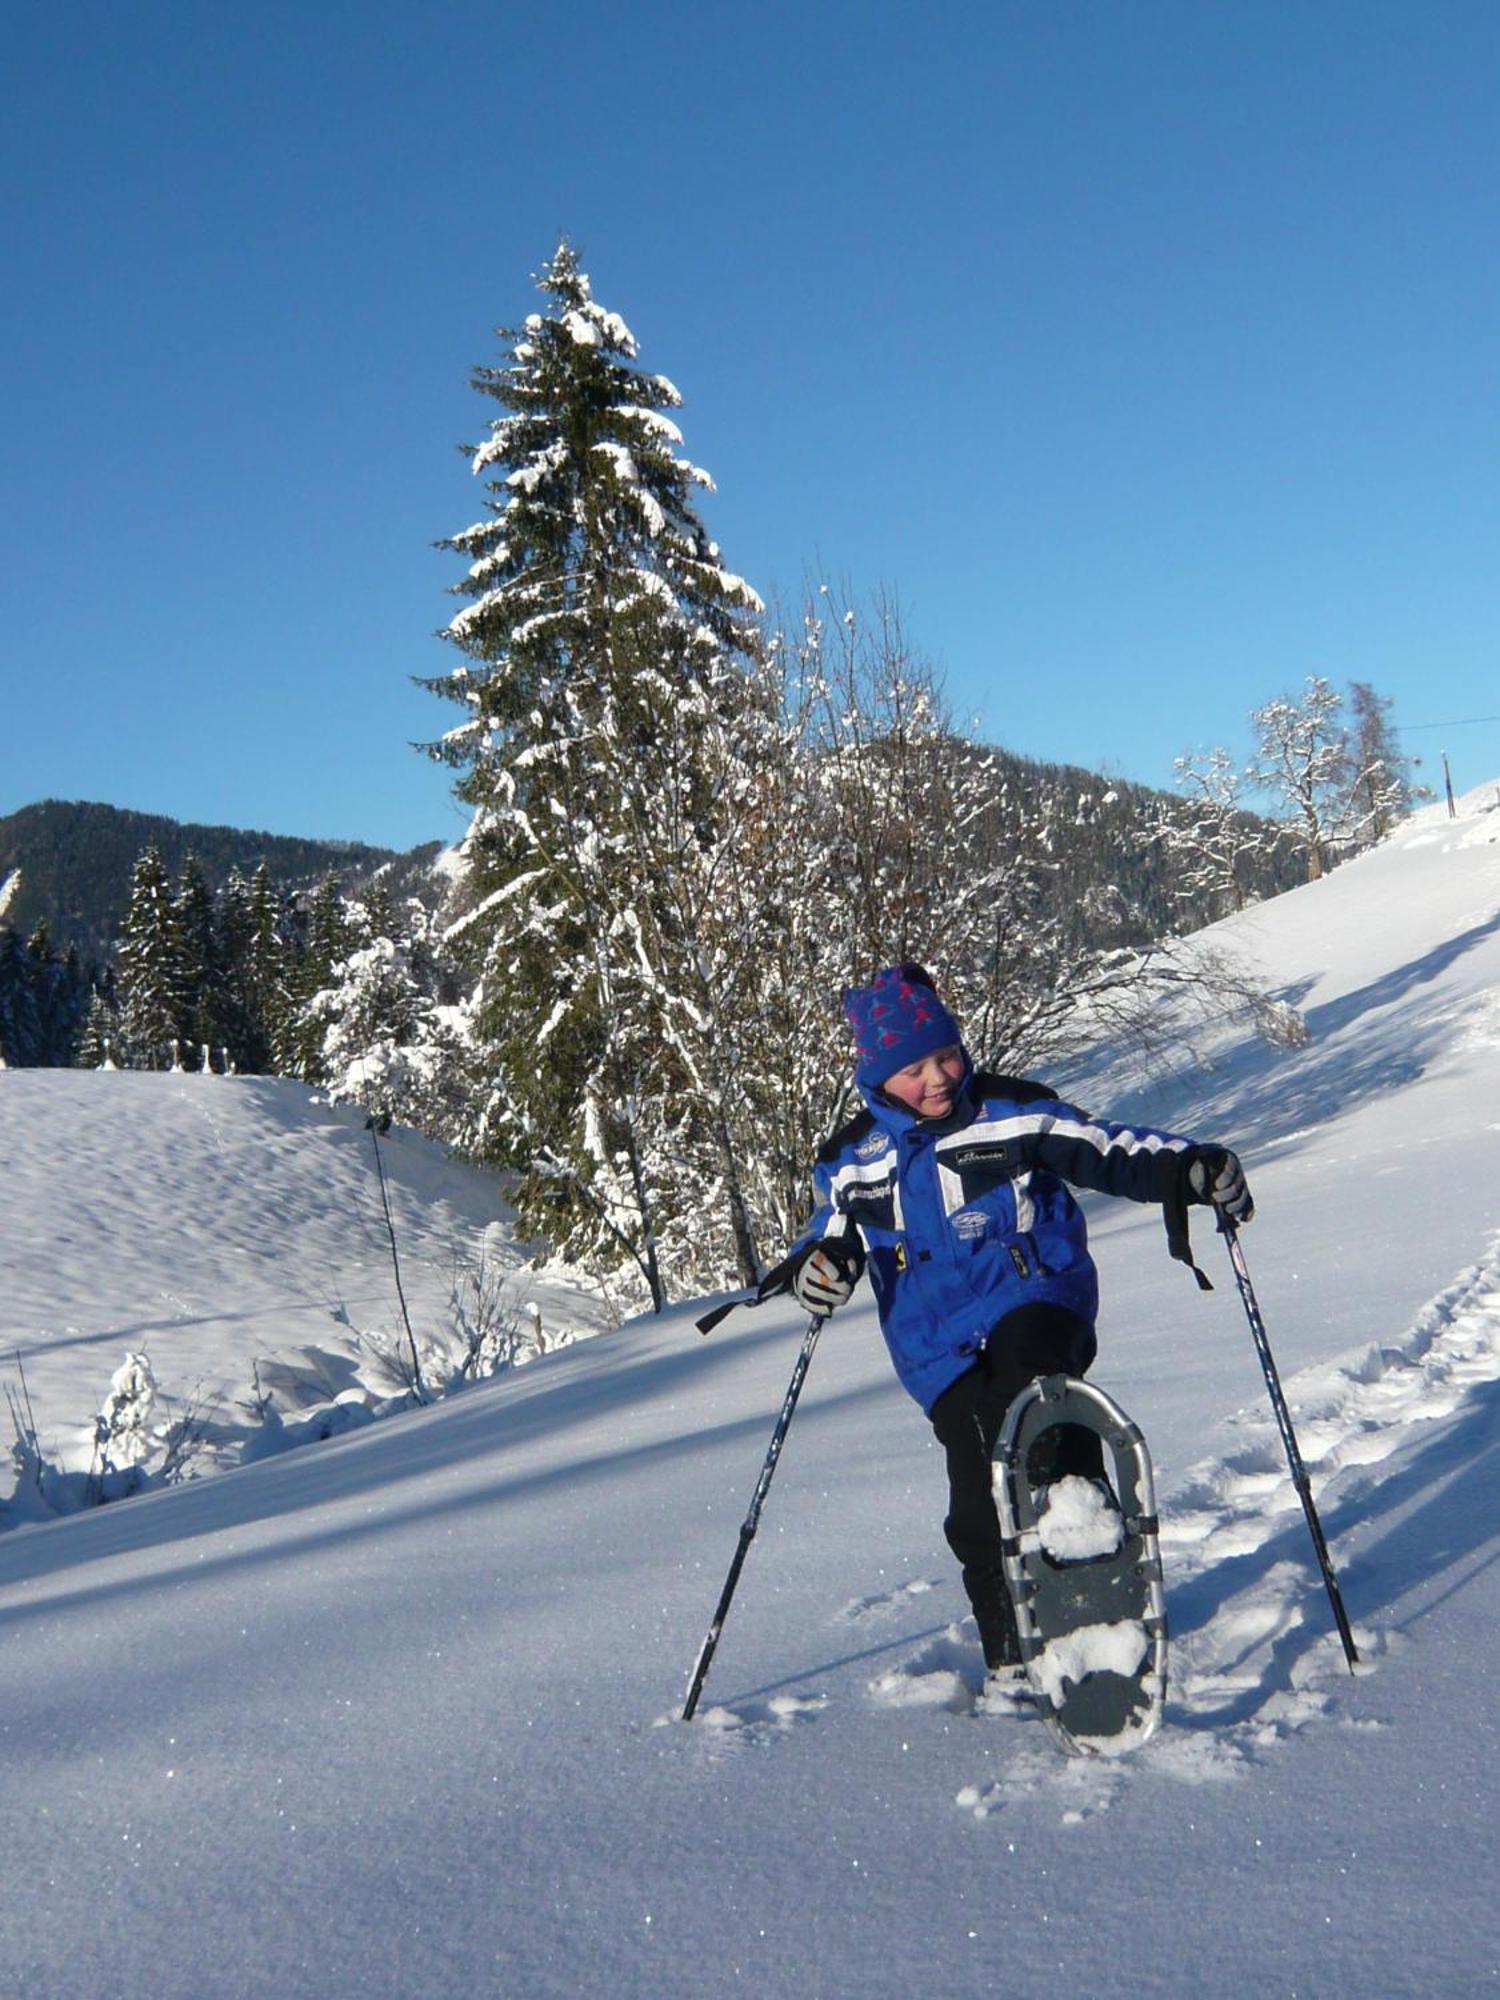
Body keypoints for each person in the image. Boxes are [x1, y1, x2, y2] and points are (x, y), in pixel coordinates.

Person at [775, 961, 1253, 1705]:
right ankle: (1012, 1653)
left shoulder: (1012, 1113)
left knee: (1033, 1407)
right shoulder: (850, 1164)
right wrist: (823, 1269)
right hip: (938, 1351)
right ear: (875, 1076)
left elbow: (1112, 1151)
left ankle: (1090, 1555)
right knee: (976, 1506)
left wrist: (1190, 1168)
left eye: (947, 1056)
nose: (937, 1078)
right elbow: (827, 1242)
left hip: (1036, 1298)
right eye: (913, 1068)